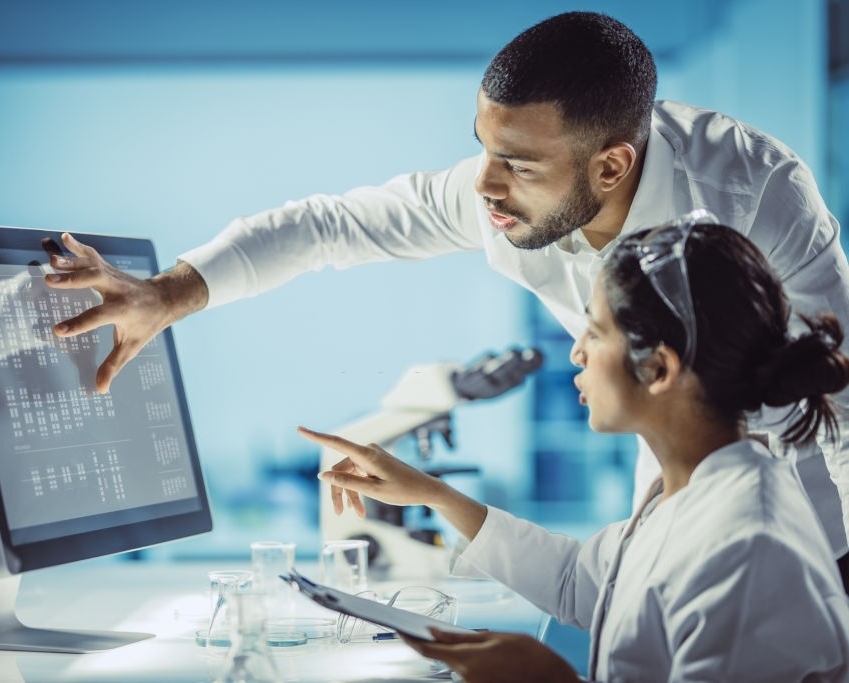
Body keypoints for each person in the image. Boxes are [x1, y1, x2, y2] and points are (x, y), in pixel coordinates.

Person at [43, 12, 849, 577]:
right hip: (676, 489)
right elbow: (331, 225)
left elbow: (841, 391)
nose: (487, 188)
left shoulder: (753, 188)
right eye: (483, 149)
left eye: (521, 164)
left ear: (611, 167)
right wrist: (168, 293)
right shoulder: (498, 188)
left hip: (807, 512)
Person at [302, 217, 849, 682]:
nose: (575, 353)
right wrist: (432, 493)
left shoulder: (747, 546)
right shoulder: (687, 490)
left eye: (594, 331)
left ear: (659, 368)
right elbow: (578, 581)